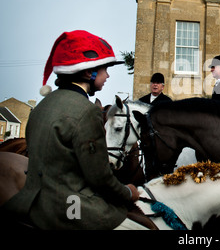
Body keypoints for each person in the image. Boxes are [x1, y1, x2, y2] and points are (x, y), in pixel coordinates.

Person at [3, 30, 145, 230]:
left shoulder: (42, 106)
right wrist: (128, 192)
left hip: (31, 203)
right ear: (89, 72)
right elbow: (100, 178)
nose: (108, 75)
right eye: (104, 69)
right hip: (70, 208)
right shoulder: (87, 111)